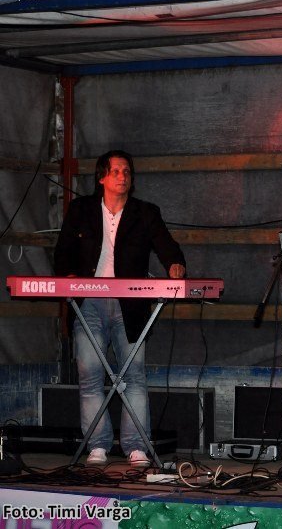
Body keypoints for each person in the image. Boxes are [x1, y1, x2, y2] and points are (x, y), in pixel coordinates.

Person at [54, 150, 186, 468]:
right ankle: (97, 446)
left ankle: (137, 447)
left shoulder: (145, 212)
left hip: (131, 305)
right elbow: (63, 253)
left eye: (126, 171)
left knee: (134, 375)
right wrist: (68, 276)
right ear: (101, 177)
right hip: (89, 303)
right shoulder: (81, 210)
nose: (123, 176)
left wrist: (175, 264)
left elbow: (168, 246)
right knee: (89, 374)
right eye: (115, 171)